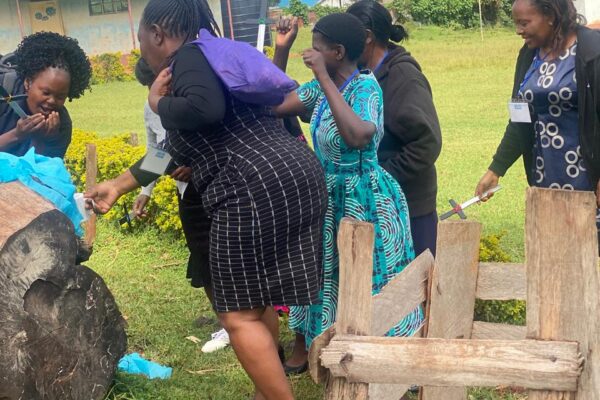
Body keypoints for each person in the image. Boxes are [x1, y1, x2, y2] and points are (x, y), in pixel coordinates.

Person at [84, 0, 328, 399]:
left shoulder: (188, 58)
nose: (141, 46)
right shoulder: (218, 55)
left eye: (141, 37)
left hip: (250, 187)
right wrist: (118, 184)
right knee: (256, 297)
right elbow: (175, 148)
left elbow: (204, 109)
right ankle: (265, 391)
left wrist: (157, 104)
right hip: (294, 172)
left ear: (158, 34)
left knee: (237, 314)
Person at [272, 13, 423, 374]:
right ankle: (316, 344)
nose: (311, 52)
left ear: (337, 52)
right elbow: (274, 102)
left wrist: (324, 78)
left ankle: (383, 356)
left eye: (317, 47)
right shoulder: (320, 90)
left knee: (369, 276)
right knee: (323, 273)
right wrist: (282, 50)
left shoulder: (366, 87)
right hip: (327, 196)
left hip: (365, 198)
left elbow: (358, 135)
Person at [475, 0, 600, 235]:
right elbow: (520, 118)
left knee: (588, 253)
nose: (518, 30)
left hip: (588, 178)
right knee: (555, 251)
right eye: (516, 23)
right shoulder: (529, 56)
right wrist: (495, 169)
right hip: (545, 176)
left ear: (550, 16)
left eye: (524, 23)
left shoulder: (591, 49)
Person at [132, 58, 229, 353]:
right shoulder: (152, 108)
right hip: (186, 193)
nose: (156, 89)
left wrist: (194, 165)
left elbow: (217, 141)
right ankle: (226, 323)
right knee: (202, 258)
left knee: (226, 257)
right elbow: (157, 150)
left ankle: (241, 322)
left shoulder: (197, 101)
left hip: (217, 187)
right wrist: (145, 189)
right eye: (149, 85)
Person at [347, 0, 442, 258]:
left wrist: (383, 179)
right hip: (379, 205)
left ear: (367, 38)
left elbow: (427, 143)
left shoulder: (403, 78)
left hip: (410, 205)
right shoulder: (360, 76)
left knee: (417, 287)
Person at [0, 32, 91, 158]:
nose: (52, 101)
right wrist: (16, 135)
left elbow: (41, 174)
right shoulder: (4, 92)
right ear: (28, 83)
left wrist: (43, 140)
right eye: (46, 92)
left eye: (60, 96)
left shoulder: (61, 126)